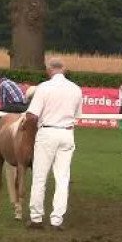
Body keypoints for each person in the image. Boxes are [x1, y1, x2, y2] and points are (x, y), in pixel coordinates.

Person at [25, 58, 82, 230]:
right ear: (63, 69)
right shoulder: (76, 89)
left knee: (40, 176)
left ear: (49, 70)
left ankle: (36, 217)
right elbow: (77, 116)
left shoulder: (43, 87)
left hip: (47, 132)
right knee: (62, 178)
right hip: (66, 133)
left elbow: (32, 115)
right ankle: (57, 219)